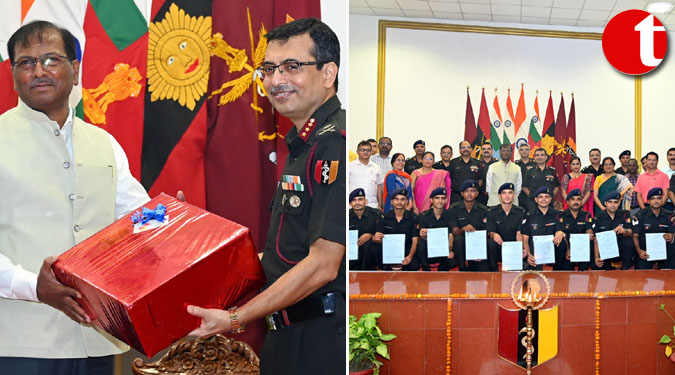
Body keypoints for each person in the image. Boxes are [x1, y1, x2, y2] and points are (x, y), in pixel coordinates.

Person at [187, 18, 345, 375]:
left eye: (292, 67)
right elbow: (282, 255)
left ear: (328, 73)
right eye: (269, 69)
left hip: (318, 341)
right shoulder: (303, 145)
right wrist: (190, 244)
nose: (276, 81)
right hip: (287, 335)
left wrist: (235, 318)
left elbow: (323, 264)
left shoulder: (333, 142)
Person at [0, 20, 150, 374]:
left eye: (51, 59)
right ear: (13, 74)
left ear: (76, 70)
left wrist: (167, 218)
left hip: (98, 339)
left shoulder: (105, 144)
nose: (38, 71)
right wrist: (33, 287)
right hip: (21, 342)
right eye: (25, 62)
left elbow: (135, 219)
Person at [373, 188, 419, 271]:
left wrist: (410, 256)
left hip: (407, 251)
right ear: (391, 202)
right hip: (389, 252)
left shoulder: (413, 218)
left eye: (402, 199)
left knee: (414, 266)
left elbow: (415, 240)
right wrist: (376, 238)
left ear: (407, 202)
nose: (399, 202)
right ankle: (383, 266)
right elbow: (378, 239)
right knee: (375, 247)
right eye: (396, 199)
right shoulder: (384, 217)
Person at [522, 187, 567, 270]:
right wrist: (529, 255)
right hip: (534, 251)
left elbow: (561, 229)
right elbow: (525, 239)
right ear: (536, 199)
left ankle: (558, 272)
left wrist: (560, 232)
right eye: (541, 197)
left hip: (551, 250)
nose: (544, 199)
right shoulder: (529, 216)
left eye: (546, 197)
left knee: (562, 244)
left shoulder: (557, 215)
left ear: (550, 199)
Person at [449, 180, 489, 271]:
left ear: (477, 194)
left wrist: (480, 251)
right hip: (460, 246)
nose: (470, 194)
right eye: (467, 191)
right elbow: (455, 233)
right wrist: (463, 229)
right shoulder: (454, 208)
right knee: (459, 239)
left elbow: (485, 234)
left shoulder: (484, 210)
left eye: (473, 191)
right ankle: (462, 267)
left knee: (483, 269)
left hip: (477, 246)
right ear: (462, 193)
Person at [486, 183, 527, 271]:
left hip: (513, 248)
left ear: (514, 195)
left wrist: (520, 249)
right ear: (499, 196)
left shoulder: (520, 212)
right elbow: (491, 232)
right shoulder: (492, 211)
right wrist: (494, 235)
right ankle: (494, 270)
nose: (507, 196)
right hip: (499, 248)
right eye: (504, 193)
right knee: (491, 243)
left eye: (510, 193)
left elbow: (519, 234)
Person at [632, 188, 675, 270]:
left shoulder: (670, 215)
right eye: (653, 199)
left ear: (662, 200)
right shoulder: (640, 215)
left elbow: (674, 233)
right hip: (645, 251)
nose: (656, 201)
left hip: (665, 251)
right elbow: (635, 236)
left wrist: (672, 236)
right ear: (648, 201)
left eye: (659, 198)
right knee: (641, 276)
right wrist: (639, 251)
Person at [593, 190, 635, 270]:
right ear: (605, 203)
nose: (613, 205)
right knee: (599, 268)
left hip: (620, 249)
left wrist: (625, 230)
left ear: (619, 203)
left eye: (615, 202)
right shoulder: (598, 217)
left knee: (628, 242)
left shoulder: (625, 214)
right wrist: (596, 257)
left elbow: (631, 232)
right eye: (610, 202)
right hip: (606, 250)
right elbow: (596, 239)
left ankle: (625, 267)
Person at [417, 187, 456, 271]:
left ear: (446, 200)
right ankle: (426, 268)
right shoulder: (423, 216)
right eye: (437, 198)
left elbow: (451, 235)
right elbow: (422, 238)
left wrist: (449, 250)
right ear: (431, 200)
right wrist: (422, 235)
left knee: (452, 262)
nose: (440, 201)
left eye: (443, 198)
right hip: (429, 250)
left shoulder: (450, 215)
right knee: (420, 243)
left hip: (443, 250)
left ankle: (443, 268)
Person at [559, 189, 595, 271]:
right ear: (567, 202)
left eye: (578, 199)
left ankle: (584, 269)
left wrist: (589, 234)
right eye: (573, 199)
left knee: (591, 242)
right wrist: (568, 249)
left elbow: (589, 229)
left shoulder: (586, 215)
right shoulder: (561, 215)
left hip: (582, 247)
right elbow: (562, 234)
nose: (576, 202)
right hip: (568, 247)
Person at [349, 189, 381, 270]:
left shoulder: (376, 214)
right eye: (354, 200)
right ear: (350, 203)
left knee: (368, 245)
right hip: (352, 251)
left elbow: (381, 237)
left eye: (360, 199)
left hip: (370, 252)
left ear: (366, 201)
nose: (357, 203)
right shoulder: (345, 216)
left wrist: (371, 236)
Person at [522, 148, 560, 213]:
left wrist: (551, 195)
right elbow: (524, 187)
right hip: (533, 204)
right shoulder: (529, 171)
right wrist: (533, 197)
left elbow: (557, 186)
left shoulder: (552, 171)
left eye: (542, 155)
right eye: (537, 155)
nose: (540, 157)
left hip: (548, 203)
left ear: (546, 157)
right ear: (534, 157)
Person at [349, 140, 383, 210]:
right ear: (357, 151)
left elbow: (379, 186)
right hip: (353, 205)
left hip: (372, 205)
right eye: (362, 150)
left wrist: (380, 204)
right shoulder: (349, 166)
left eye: (368, 150)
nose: (365, 152)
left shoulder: (376, 167)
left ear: (371, 152)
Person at [515, 143, 536, 208]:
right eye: (522, 150)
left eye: (526, 150)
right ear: (519, 152)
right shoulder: (515, 164)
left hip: (532, 193)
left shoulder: (535, 164)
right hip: (518, 194)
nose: (524, 151)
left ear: (529, 151)